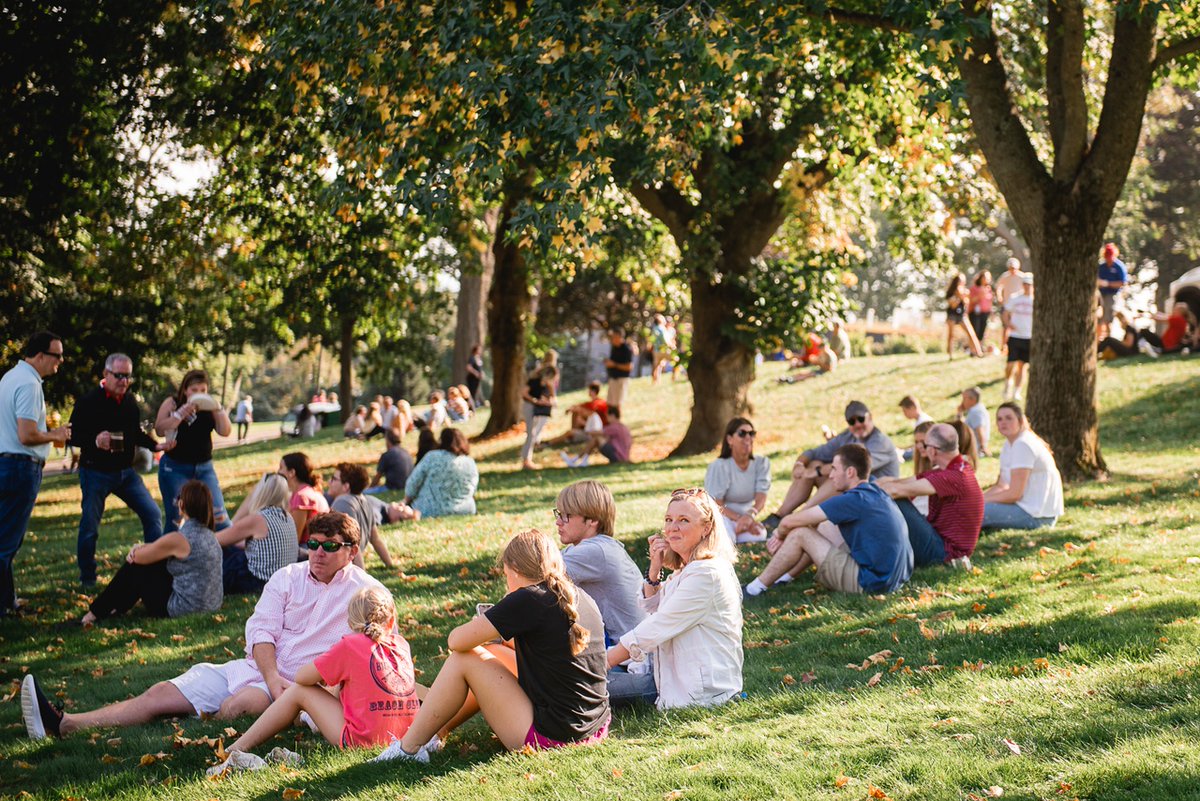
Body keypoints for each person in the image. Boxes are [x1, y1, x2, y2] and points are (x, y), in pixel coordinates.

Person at [23, 512, 384, 740]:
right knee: (159, 693)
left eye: (329, 547)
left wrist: (291, 690)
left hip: (302, 688)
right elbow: (261, 632)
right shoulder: (287, 577)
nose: (317, 553)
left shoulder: (368, 593)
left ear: (352, 550)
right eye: (313, 544)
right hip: (258, 669)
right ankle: (67, 723)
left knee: (238, 707)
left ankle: (209, 714)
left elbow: (376, 655)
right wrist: (271, 678)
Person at [375, 529, 609, 761]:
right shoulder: (577, 596)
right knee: (492, 652)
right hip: (594, 728)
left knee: (464, 659)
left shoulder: (527, 598)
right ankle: (435, 734)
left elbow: (455, 641)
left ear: (515, 570)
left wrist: (492, 615)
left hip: (555, 738)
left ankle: (408, 749)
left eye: (506, 573)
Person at [209, 586, 418, 774]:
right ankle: (304, 719)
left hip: (363, 740)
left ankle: (236, 748)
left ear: (349, 622)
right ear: (391, 621)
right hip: (405, 735)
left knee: (298, 691)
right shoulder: (401, 644)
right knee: (343, 682)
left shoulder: (350, 645)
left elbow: (302, 678)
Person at [603, 488, 743, 709]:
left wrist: (606, 661)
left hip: (700, 691)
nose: (672, 527)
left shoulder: (706, 574)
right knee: (576, 676)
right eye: (669, 519)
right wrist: (654, 570)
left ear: (706, 528)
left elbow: (658, 624)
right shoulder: (687, 571)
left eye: (684, 520)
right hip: (667, 677)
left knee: (576, 683)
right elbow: (653, 607)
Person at [744, 444, 912, 597]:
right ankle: (783, 578)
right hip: (896, 577)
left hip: (872, 583)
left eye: (834, 469)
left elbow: (788, 522)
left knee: (800, 534)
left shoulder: (852, 499)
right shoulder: (875, 491)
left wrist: (779, 534)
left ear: (850, 472)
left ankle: (753, 590)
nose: (830, 476)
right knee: (823, 525)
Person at [68, 353, 173, 587]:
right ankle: (88, 577)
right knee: (90, 526)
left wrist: (156, 445)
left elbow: (134, 433)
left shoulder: (128, 402)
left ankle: (153, 568)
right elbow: (71, 436)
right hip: (95, 473)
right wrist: (94, 439)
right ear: (106, 375)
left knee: (152, 514)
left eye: (127, 376)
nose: (124, 381)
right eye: (119, 376)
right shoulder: (89, 401)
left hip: (125, 473)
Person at [552, 481, 650, 704]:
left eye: (566, 515)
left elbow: (534, 575)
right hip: (620, 659)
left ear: (592, 520)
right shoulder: (586, 548)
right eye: (558, 514)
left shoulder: (595, 551)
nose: (558, 522)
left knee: (550, 682)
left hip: (634, 668)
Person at [75, 479, 222, 625]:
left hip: (184, 609)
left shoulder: (180, 539)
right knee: (153, 561)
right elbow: (158, 549)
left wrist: (137, 548)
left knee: (137, 568)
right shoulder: (209, 535)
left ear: (181, 505)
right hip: (211, 605)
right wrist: (144, 548)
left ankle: (95, 613)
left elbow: (138, 559)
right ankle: (115, 608)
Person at [1, 332, 71, 617]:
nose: (60, 362)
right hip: (20, 468)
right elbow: (27, 434)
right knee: (7, 542)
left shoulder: (9, 378)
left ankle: (8, 600)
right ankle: (4, 607)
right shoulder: (29, 384)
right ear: (40, 355)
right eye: (57, 355)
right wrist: (54, 434)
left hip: (6, 465)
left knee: (5, 537)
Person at [762, 401, 899, 534]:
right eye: (852, 421)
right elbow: (814, 452)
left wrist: (816, 472)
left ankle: (800, 517)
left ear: (870, 417)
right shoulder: (847, 436)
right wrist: (800, 465)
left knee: (841, 477)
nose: (857, 424)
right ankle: (780, 516)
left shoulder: (881, 442)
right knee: (814, 463)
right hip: (855, 493)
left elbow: (851, 469)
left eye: (861, 419)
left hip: (874, 497)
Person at [879, 423, 984, 570]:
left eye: (925, 444)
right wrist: (870, 485)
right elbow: (898, 482)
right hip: (941, 544)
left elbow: (896, 491)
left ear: (933, 451)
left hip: (945, 554)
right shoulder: (954, 468)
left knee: (898, 499)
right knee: (884, 490)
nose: (922, 448)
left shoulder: (954, 476)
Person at [154, 369, 232, 534]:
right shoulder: (173, 402)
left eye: (203, 390)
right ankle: (170, 557)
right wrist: (179, 415)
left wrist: (218, 408)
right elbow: (159, 429)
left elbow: (225, 431)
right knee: (176, 518)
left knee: (219, 514)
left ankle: (229, 555)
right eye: (194, 390)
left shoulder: (210, 406)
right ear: (185, 390)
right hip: (175, 467)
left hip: (204, 467)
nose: (199, 394)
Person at [982, 403, 1064, 530]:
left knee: (974, 512)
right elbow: (1001, 486)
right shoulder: (1009, 445)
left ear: (1020, 421)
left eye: (1009, 418)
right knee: (973, 508)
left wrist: (980, 502)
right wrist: (977, 499)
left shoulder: (1023, 444)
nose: (1004, 422)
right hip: (1024, 508)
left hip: (1037, 517)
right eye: (999, 419)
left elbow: (1015, 494)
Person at [217, 474, 298, 595]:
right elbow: (262, 546)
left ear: (261, 492)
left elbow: (216, 540)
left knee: (223, 551)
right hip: (279, 580)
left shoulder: (258, 519)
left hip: (256, 582)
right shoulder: (287, 517)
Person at [704, 417, 770, 544]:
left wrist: (750, 516)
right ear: (729, 439)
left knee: (760, 534)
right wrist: (741, 519)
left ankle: (729, 537)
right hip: (723, 516)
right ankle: (723, 536)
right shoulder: (719, 466)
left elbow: (761, 496)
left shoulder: (761, 463)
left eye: (751, 434)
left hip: (745, 517)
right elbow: (716, 503)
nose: (748, 438)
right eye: (742, 433)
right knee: (727, 535)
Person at [328, 463, 395, 570]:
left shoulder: (342, 502)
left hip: (342, 566)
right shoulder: (365, 501)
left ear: (346, 486)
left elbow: (352, 543)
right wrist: (390, 565)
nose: (328, 482)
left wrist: (362, 576)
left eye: (333, 479)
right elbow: (375, 539)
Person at [404, 428, 478, 518]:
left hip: (429, 510)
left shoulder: (432, 457)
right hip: (465, 510)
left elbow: (413, 483)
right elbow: (472, 489)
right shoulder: (470, 462)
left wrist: (406, 502)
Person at [279, 452, 329, 545]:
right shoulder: (306, 491)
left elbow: (295, 537)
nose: (278, 472)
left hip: (311, 549)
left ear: (292, 472)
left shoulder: (302, 496)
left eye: (281, 468)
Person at [544, 381, 607, 448]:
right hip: (589, 429)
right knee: (576, 413)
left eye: (589, 390)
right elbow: (578, 407)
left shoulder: (597, 405)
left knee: (571, 430)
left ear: (593, 391)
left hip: (593, 433)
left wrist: (582, 422)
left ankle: (550, 442)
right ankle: (571, 436)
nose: (588, 392)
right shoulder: (591, 405)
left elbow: (593, 428)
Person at [562, 405, 631, 467]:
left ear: (612, 415)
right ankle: (580, 460)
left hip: (618, 457)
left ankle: (577, 459)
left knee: (597, 439)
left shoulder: (615, 427)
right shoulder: (623, 427)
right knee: (597, 439)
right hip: (623, 456)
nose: (606, 419)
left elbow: (598, 432)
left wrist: (587, 431)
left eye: (607, 416)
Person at [1002, 274, 1034, 401]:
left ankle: (1017, 391)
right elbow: (1005, 312)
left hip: (1028, 336)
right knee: (1010, 364)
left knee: (1022, 366)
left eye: (1029, 284)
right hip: (1015, 336)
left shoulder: (1035, 300)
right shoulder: (1015, 298)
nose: (1027, 286)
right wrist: (1008, 324)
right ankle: (1007, 383)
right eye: (1025, 284)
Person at [520, 365, 557, 470]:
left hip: (537, 409)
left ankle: (526, 458)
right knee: (531, 433)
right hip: (530, 406)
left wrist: (546, 401)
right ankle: (526, 460)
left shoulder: (546, 384)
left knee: (534, 433)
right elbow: (524, 393)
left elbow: (551, 396)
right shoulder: (534, 381)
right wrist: (535, 400)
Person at [945, 272, 983, 359]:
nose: (962, 282)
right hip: (952, 315)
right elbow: (953, 305)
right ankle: (950, 354)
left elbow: (967, 303)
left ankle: (978, 352)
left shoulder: (965, 291)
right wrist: (958, 296)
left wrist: (964, 297)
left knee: (971, 333)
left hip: (961, 315)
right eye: (960, 281)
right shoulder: (951, 292)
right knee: (951, 335)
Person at [366, 428, 413, 495]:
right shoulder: (406, 452)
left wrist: (370, 488)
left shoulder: (387, 455)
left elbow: (377, 477)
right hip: (407, 487)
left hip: (392, 487)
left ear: (387, 440)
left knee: (362, 493)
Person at [1097, 242, 1127, 325]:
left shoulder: (1119, 267)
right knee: (1098, 316)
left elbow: (1122, 283)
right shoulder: (1102, 266)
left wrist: (1108, 284)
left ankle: (1108, 334)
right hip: (1101, 294)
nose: (1108, 260)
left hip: (1113, 294)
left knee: (1108, 315)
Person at [605, 329, 634, 409]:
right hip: (613, 378)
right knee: (610, 404)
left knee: (617, 405)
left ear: (619, 337)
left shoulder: (626, 349)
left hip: (621, 380)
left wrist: (614, 365)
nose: (612, 339)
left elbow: (629, 367)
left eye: (614, 337)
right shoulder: (614, 348)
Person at [958, 386, 991, 458]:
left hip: (974, 451)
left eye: (964, 398)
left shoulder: (976, 412)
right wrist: (960, 413)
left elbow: (980, 429)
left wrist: (983, 447)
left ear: (972, 400)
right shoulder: (976, 411)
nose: (962, 402)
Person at [968, 271, 994, 346]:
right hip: (975, 313)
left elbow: (990, 301)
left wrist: (991, 312)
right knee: (975, 330)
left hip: (985, 313)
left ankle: (980, 348)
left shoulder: (988, 288)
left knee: (982, 332)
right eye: (985, 277)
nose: (986, 279)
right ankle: (973, 349)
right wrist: (980, 296)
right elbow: (971, 300)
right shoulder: (974, 288)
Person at [650, 314, 673, 384]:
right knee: (676, 360)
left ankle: (655, 382)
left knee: (656, 366)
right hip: (663, 350)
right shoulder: (662, 328)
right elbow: (666, 340)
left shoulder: (654, 329)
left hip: (656, 351)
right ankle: (674, 378)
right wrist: (672, 346)